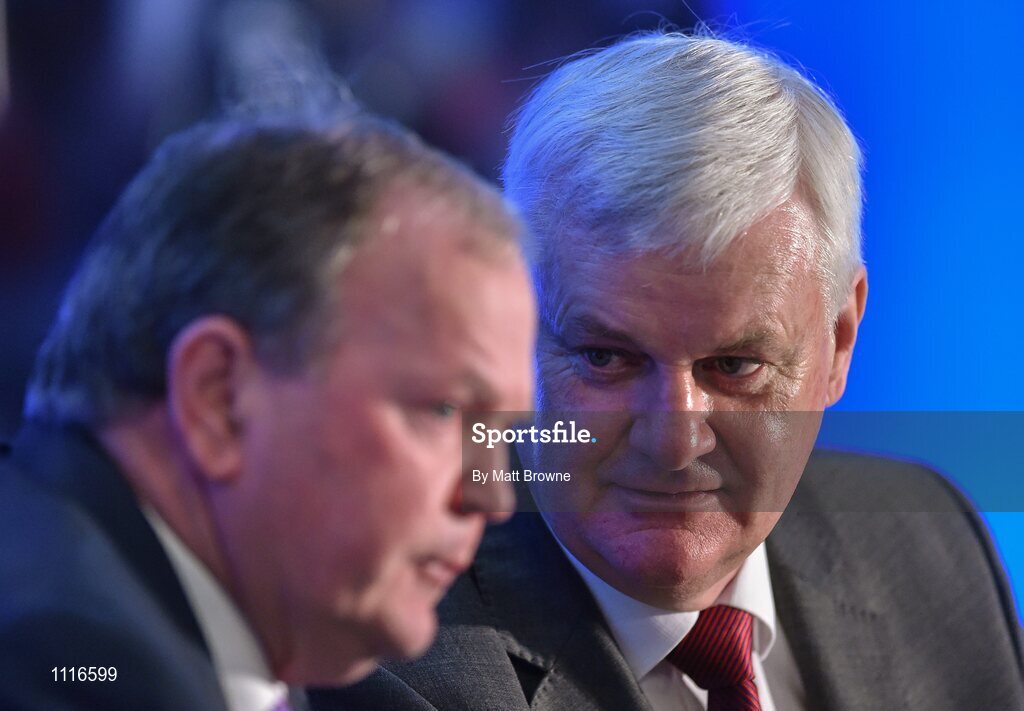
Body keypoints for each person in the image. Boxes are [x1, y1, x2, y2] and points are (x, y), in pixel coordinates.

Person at [311, 32, 1024, 710]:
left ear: (839, 342)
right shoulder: (383, 649)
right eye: (605, 358)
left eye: (735, 365)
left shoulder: (929, 541)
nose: (673, 442)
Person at [0, 111, 536, 710]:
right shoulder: (58, 667)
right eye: (444, 411)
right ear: (219, 399)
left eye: (500, 429)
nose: (493, 497)